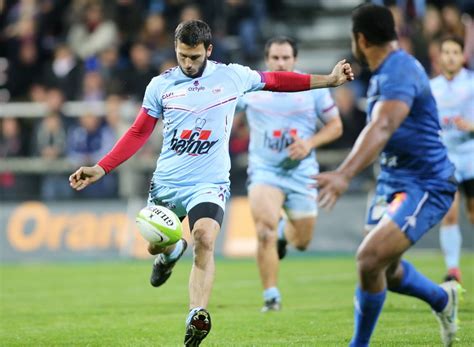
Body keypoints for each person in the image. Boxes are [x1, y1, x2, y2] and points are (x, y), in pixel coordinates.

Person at [69, 19, 353, 346]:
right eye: (181, 56)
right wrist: (101, 168)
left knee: (204, 237)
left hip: (210, 182)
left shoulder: (231, 76)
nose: (187, 64)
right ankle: (171, 250)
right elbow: (138, 132)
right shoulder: (160, 86)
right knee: (155, 244)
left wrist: (329, 80)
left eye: (194, 57)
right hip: (168, 183)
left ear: (209, 50)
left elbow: (276, 80)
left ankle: (196, 315)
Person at [315, 5, 463, 347]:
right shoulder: (386, 71)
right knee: (385, 269)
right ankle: (442, 300)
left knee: (368, 260)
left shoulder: (398, 71)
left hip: (426, 183)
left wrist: (343, 173)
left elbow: (382, 126)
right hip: (394, 180)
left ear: (360, 39)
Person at [236, 36, 343, 312]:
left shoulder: (313, 88)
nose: (280, 63)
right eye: (275, 58)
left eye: (285, 58)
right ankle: (271, 296)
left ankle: (285, 232)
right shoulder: (251, 87)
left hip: (301, 172)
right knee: (263, 231)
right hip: (264, 171)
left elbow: (335, 126)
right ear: (266, 59)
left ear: (295, 60)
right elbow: (224, 110)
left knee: (303, 241)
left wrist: (309, 143)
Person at [430, 36, 474, 283]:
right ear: (439, 57)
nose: (450, 56)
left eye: (455, 52)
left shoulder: (471, 83)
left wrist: (471, 126)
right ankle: (453, 270)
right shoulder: (431, 87)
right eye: (445, 52)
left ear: (462, 56)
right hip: (446, 157)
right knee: (449, 212)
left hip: (471, 155)